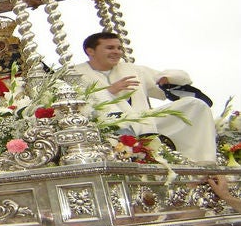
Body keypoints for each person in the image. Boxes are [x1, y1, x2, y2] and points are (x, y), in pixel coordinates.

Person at [72, 32, 217, 164]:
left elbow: (181, 77)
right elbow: (76, 107)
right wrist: (108, 92)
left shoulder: (132, 70)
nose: (117, 52)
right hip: (108, 128)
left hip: (146, 123)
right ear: (90, 51)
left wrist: (166, 78)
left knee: (196, 105)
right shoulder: (74, 74)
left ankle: (203, 162)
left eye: (119, 48)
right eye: (110, 48)